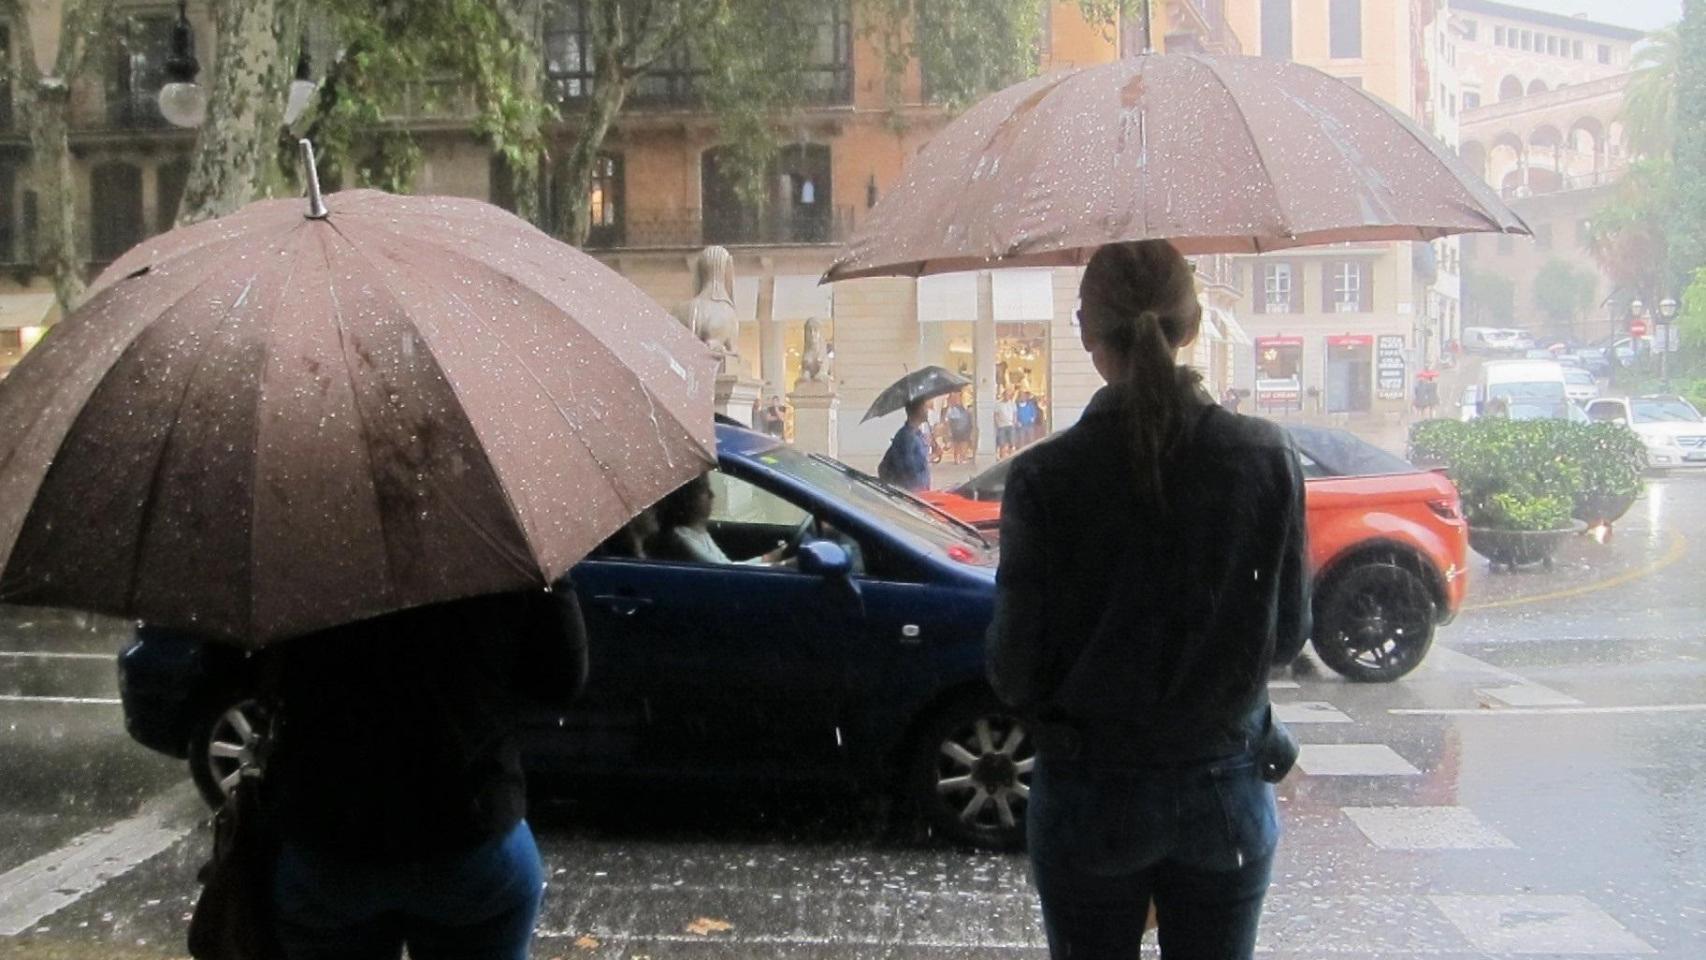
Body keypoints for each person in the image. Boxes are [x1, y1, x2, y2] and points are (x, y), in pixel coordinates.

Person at [987, 240, 1309, 960]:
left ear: (1086, 333)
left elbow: (1014, 670)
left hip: (1089, 799)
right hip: (1224, 797)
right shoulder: (1266, 456)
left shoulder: (1045, 477)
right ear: (1192, 324)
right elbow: (1287, 635)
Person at [266, 588, 589, 960]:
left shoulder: (295, 555)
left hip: (325, 844)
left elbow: (221, 682)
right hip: (473, 834)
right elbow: (563, 679)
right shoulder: (494, 546)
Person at [650, 473, 788, 564]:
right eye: (703, 490)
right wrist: (768, 559)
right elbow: (724, 571)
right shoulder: (680, 538)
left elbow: (726, 566)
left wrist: (768, 559)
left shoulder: (698, 531)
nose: (711, 495)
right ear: (687, 498)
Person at [877, 398, 932, 491]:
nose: (928, 411)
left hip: (921, 492)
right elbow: (911, 469)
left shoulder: (917, 434)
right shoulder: (907, 437)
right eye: (925, 407)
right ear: (918, 410)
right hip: (912, 494)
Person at [946, 393, 975, 464]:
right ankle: (957, 458)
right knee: (957, 444)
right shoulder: (952, 409)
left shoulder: (965, 407)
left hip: (965, 428)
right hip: (956, 428)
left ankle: (962, 458)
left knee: (964, 443)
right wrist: (949, 430)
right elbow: (949, 420)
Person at [994, 391, 1018, 458]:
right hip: (1002, 426)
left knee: (1012, 442)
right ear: (1003, 395)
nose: (1008, 396)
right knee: (1002, 443)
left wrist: (1014, 422)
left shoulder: (1012, 403)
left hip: (1010, 425)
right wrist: (997, 424)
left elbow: (1015, 413)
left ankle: (1012, 457)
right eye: (1007, 395)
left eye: (1009, 395)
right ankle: (1002, 458)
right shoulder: (998, 404)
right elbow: (995, 415)